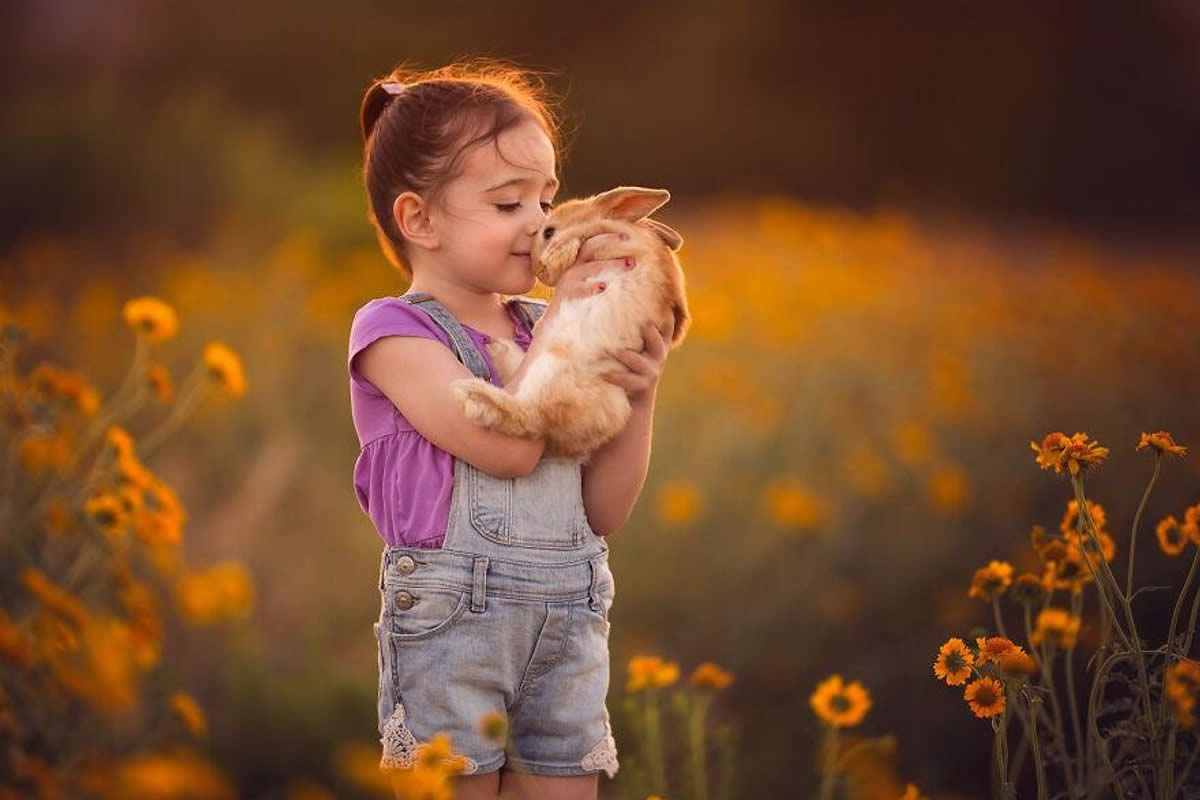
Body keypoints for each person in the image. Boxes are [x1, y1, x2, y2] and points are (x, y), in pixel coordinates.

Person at [347, 60, 675, 800]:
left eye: (549, 198)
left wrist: (638, 398)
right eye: (507, 204)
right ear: (419, 221)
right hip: (453, 634)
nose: (539, 222)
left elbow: (603, 512)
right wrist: (564, 326)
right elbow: (512, 446)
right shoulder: (396, 334)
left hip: (570, 624)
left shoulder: (537, 327)